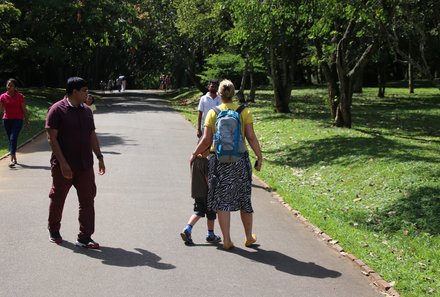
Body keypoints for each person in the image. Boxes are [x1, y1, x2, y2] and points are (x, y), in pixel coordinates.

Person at [190, 79, 263, 250]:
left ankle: (227, 240)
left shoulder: (213, 112)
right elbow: (251, 137)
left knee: (223, 201)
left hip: (219, 161)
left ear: (220, 95)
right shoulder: (244, 111)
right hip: (241, 160)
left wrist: (194, 154)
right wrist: (259, 156)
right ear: (234, 94)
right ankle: (248, 236)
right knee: (244, 198)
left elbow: (207, 139)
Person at [45, 77, 106, 249]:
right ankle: (54, 230)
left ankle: (85, 237)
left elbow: (91, 135)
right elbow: (52, 138)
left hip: (85, 164)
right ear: (74, 92)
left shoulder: (86, 110)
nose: (87, 93)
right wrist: (63, 163)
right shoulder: (57, 110)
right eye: (84, 90)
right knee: (58, 198)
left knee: (88, 200)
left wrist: (100, 157)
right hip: (64, 165)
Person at [180, 148, 221, 245]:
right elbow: (208, 179)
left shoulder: (195, 160)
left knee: (198, 211)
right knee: (211, 213)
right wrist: (213, 191)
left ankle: (188, 228)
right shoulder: (206, 162)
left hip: (197, 192)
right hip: (206, 193)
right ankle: (210, 234)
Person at [0, 78, 30, 167]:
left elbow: (24, 110)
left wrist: (27, 122)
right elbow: (1, 110)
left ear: (15, 87)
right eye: (8, 85)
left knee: (13, 138)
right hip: (6, 120)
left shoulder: (20, 96)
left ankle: (12, 160)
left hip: (17, 120)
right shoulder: (2, 96)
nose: (9, 87)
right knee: (11, 140)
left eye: (11, 85)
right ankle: (15, 157)